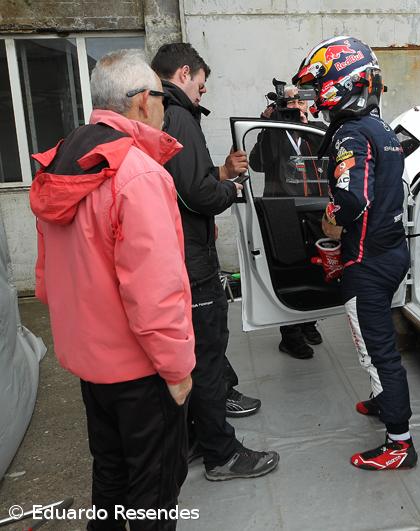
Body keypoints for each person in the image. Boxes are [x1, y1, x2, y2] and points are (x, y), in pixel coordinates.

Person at [30, 49, 194, 529]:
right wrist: (177, 368)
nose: (166, 107)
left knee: (111, 478)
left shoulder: (63, 160)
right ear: (144, 101)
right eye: (163, 97)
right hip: (140, 370)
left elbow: (46, 277)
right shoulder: (138, 174)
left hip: (90, 363)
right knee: (154, 492)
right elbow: (155, 293)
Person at [151, 42, 278, 480]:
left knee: (189, 357)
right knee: (204, 359)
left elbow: (185, 182)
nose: (202, 94)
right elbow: (197, 194)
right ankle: (222, 454)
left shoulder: (158, 115)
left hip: (173, 252)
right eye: (201, 86)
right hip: (191, 260)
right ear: (184, 73)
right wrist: (229, 190)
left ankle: (191, 441)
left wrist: (220, 171)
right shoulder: (180, 115)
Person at [293, 36, 417, 470]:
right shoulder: (382, 128)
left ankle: (400, 443)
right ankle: (385, 401)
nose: (318, 97)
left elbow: (351, 201)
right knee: (379, 346)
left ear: (341, 83)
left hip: (367, 260)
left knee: (378, 350)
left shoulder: (350, 132)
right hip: (391, 250)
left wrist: (329, 219)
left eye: (321, 84)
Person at [249, 84, 324, 359]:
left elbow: (327, 157)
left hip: (314, 210)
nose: (296, 107)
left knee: (314, 267)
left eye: (300, 102)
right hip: (283, 211)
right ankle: (290, 336)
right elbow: (257, 163)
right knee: (289, 271)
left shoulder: (314, 130)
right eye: (290, 102)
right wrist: (267, 126)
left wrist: (305, 126)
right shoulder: (274, 132)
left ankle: (309, 322)